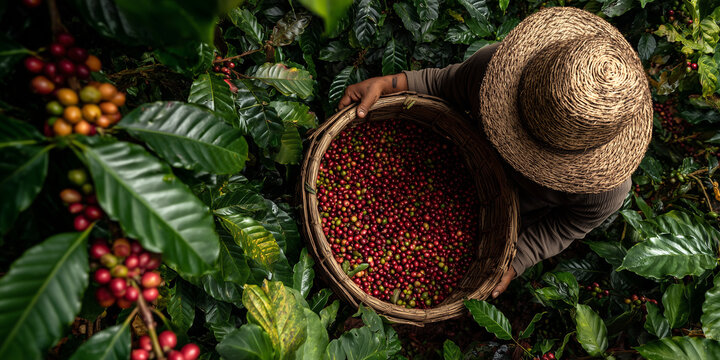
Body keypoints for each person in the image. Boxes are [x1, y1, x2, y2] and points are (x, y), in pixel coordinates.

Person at [338, 7, 652, 299]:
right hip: (443, 161)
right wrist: (387, 83)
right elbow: (444, 82)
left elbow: (566, 226)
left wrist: (519, 260)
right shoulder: (493, 71)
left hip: (489, 222)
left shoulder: (604, 191)